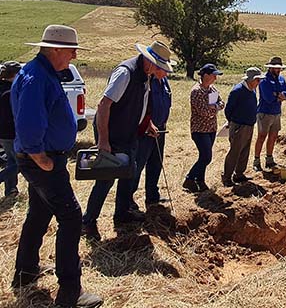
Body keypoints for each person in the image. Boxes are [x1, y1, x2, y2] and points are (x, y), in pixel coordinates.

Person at [10, 24, 102, 308]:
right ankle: (70, 292)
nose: (74, 55)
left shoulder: (43, 73)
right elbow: (28, 125)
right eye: (72, 49)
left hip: (44, 159)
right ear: (56, 49)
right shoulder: (37, 78)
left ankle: (25, 274)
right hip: (43, 161)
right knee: (72, 218)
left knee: (38, 214)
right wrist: (41, 158)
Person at [82, 41, 174, 242]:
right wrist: (103, 141)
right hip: (112, 133)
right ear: (151, 63)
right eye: (162, 69)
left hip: (130, 131)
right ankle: (88, 221)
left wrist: (146, 123)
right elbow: (104, 105)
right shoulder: (126, 72)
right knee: (106, 177)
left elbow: (140, 104)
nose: (165, 74)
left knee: (129, 172)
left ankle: (122, 213)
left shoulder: (146, 76)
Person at [130, 65, 172, 209]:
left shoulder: (164, 81)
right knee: (139, 164)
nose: (167, 72)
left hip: (160, 130)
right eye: (165, 69)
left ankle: (152, 196)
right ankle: (128, 198)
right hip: (145, 131)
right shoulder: (146, 81)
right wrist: (148, 123)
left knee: (156, 163)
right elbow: (140, 106)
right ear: (157, 68)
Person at [183, 63, 224, 192]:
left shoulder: (212, 90)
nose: (215, 79)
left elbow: (221, 103)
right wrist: (214, 108)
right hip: (199, 130)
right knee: (206, 157)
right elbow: (204, 112)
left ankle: (200, 181)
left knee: (204, 156)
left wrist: (215, 107)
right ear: (205, 75)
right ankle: (189, 179)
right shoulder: (196, 91)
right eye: (213, 75)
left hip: (211, 129)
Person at [222, 67, 264, 187]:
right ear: (251, 80)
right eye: (258, 80)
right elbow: (228, 110)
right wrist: (234, 123)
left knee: (244, 151)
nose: (259, 83)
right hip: (239, 126)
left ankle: (239, 174)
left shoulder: (252, 90)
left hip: (249, 125)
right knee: (235, 152)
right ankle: (227, 177)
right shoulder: (238, 91)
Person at [253, 57, 286, 171]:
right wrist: (280, 96)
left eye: (279, 68)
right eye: (276, 68)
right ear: (270, 68)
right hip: (264, 112)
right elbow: (268, 97)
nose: (278, 70)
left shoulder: (281, 79)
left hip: (276, 112)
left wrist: (278, 95)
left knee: (273, 136)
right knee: (262, 136)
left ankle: (269, 159)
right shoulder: (264, 80)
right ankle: (256, 161)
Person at [0, 61, 22, 198]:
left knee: (11, 161)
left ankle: (11, 189)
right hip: (10, 133)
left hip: (3, 133)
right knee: (22, 164)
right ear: (15, 74)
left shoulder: (2, 88)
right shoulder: (10, 92)